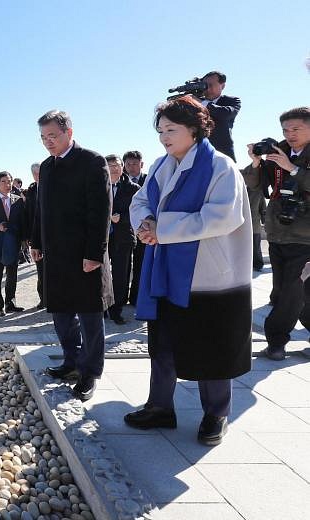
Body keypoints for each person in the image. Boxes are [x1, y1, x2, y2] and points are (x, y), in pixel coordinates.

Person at [123, 96, 252, 446]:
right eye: (161, 130)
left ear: (194, 130)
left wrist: (161, 229)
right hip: (165, 266)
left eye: (171, 130)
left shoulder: (221, 167)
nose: (164, 137)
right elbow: (140, 201)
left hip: (208, 272)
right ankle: (160, 406)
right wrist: (145, 223)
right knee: (162, 342)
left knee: (211, 344)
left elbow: (223, 216)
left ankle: (216, 413)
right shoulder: (162, 165)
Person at [31, 110, 113, 402]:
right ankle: (71, 362)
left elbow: (100, 212)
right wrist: (37, 240)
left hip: (84, 255)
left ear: (68, 131)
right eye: (43, 138)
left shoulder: (92, 162)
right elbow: (41, 208)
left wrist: (94, 254)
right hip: (56, 254)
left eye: (52, 136)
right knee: (62, 313)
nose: (48, 142)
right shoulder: (47, 167)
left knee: (90, 316)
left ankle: (90, 371)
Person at [242, 107, 310, 361]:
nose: (289, 134)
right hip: (278, 229)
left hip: (305, 235)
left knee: (290, 290)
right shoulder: (276, 151)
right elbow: (254, 184)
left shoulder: (290, 158)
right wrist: (257, 162)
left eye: (296, 129)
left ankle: (276, 341)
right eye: (285, 129)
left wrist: (292, 168)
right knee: (291, 289)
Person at [0, 171, 27, 315]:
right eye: (4, 181)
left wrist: (24, 241)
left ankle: (10, 303)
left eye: (9, 181)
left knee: (12, 275)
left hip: (13, 243)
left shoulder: (18, 200)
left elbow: (22, 222)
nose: (8, 184)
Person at [105, 154, 140, 324]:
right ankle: (103, 307)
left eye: (117, 165)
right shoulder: (97, 186)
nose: (114, 168)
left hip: (123, 237)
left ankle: (117, 309)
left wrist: (122, 218)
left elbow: (138, 211)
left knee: (121, 276)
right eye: (110, 165)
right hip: (102, 239)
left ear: (122, 167)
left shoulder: (133, 188)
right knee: (101, 275)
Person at [199, 71, 241, 161]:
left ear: (222, 86)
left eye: (211, 85)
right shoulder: (196, 101)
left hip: (223, 155)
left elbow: (226, 114)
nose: (207, 89)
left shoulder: (232, 101)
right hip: (199, 155)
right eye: (205, 85)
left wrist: (203, 103)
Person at [124, 150, 146, 305]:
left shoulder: (149, 180)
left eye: (135, 164)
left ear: (141, 164)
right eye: (128, 164)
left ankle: (136, 297)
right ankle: (119, 297)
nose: (131, 167)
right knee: (123, 267)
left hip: (143, 230)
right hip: (123, 231)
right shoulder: (120, 181)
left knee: (140, 265)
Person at [24, 163, 44, 308]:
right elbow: (27, 215)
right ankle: (43, 298)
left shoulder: (54, 187)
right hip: (36, 236)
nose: (38, 176)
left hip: (53, 236)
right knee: (41, 270)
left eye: (40, 173)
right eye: (36, 174)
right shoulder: (30, 191)